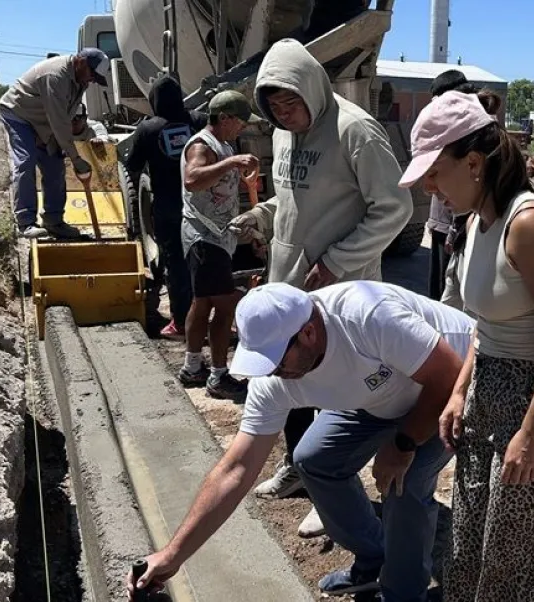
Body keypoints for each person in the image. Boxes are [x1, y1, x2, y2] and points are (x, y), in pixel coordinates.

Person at [127, 280, 473, 602]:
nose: (274, 373)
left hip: (446, 388)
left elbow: (448, 374)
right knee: (313, 460)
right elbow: (236, 468)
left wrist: (403, 443)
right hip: (376, 398)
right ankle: (375, 556)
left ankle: (403, 594)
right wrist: (172, 556)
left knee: (406, 482)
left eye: (278, 361)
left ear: (308, 332)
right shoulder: (274, 373)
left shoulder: (366, 316)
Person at [398, 90, 534, 601]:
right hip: (486, 405)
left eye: (436, 174)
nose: (432, 190)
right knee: (467, 557)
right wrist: (461, 390)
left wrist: (531, 432)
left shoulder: (529, 224)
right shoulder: (476, 222)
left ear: (475, 162)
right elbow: (483, 324)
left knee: (511, 575)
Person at [229, 38, 413, 531]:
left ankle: (334, 482)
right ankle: (298, 469)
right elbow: (292, 201)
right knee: (287, 375)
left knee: (339, 385)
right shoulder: (285, 136)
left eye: (292, 103)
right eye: (274, 106)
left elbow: (395, 209)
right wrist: (260, 217)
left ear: (313, 88)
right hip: (290, 282)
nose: (285, 114)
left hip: (341, 290)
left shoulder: (356, 131)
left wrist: (337, 260)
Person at [178, 90, 260, 401]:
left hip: (216, 237)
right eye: (239, 122)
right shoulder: (202, 145)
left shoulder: (222, 146)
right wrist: (231, 163)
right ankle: (219, 375)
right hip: (204, 237)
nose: (242, 128)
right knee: (227, 304)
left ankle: (194, 367)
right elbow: (193, 179)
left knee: (203, 304)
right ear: (223, 118)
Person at [124, 74, 207, 340]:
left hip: (167, 206)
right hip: (200, 204)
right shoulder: (198, 121)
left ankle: (181, 321)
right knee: (206, 260)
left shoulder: (148, 129)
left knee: (175, 263)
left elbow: (133, 166)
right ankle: (208, 317)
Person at [0, 48, 111, 239]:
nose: (92, 80)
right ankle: (25, 222)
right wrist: (76, 159)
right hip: (19, 114)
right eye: (93, 75)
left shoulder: (80, 80)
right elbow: (59, 122)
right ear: (81, 62)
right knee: (26, 161)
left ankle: (53, 220)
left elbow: (65, 118)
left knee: (55, 163)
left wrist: (61, 148)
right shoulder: (55, 76)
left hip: (43, 119)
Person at [425, 69, 476, 301]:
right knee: (438, 287)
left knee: (450, 290)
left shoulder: (464, 127)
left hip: (454, 226)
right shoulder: (446, 123)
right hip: (441, 224)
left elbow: (466, 184)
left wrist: (454, 230)